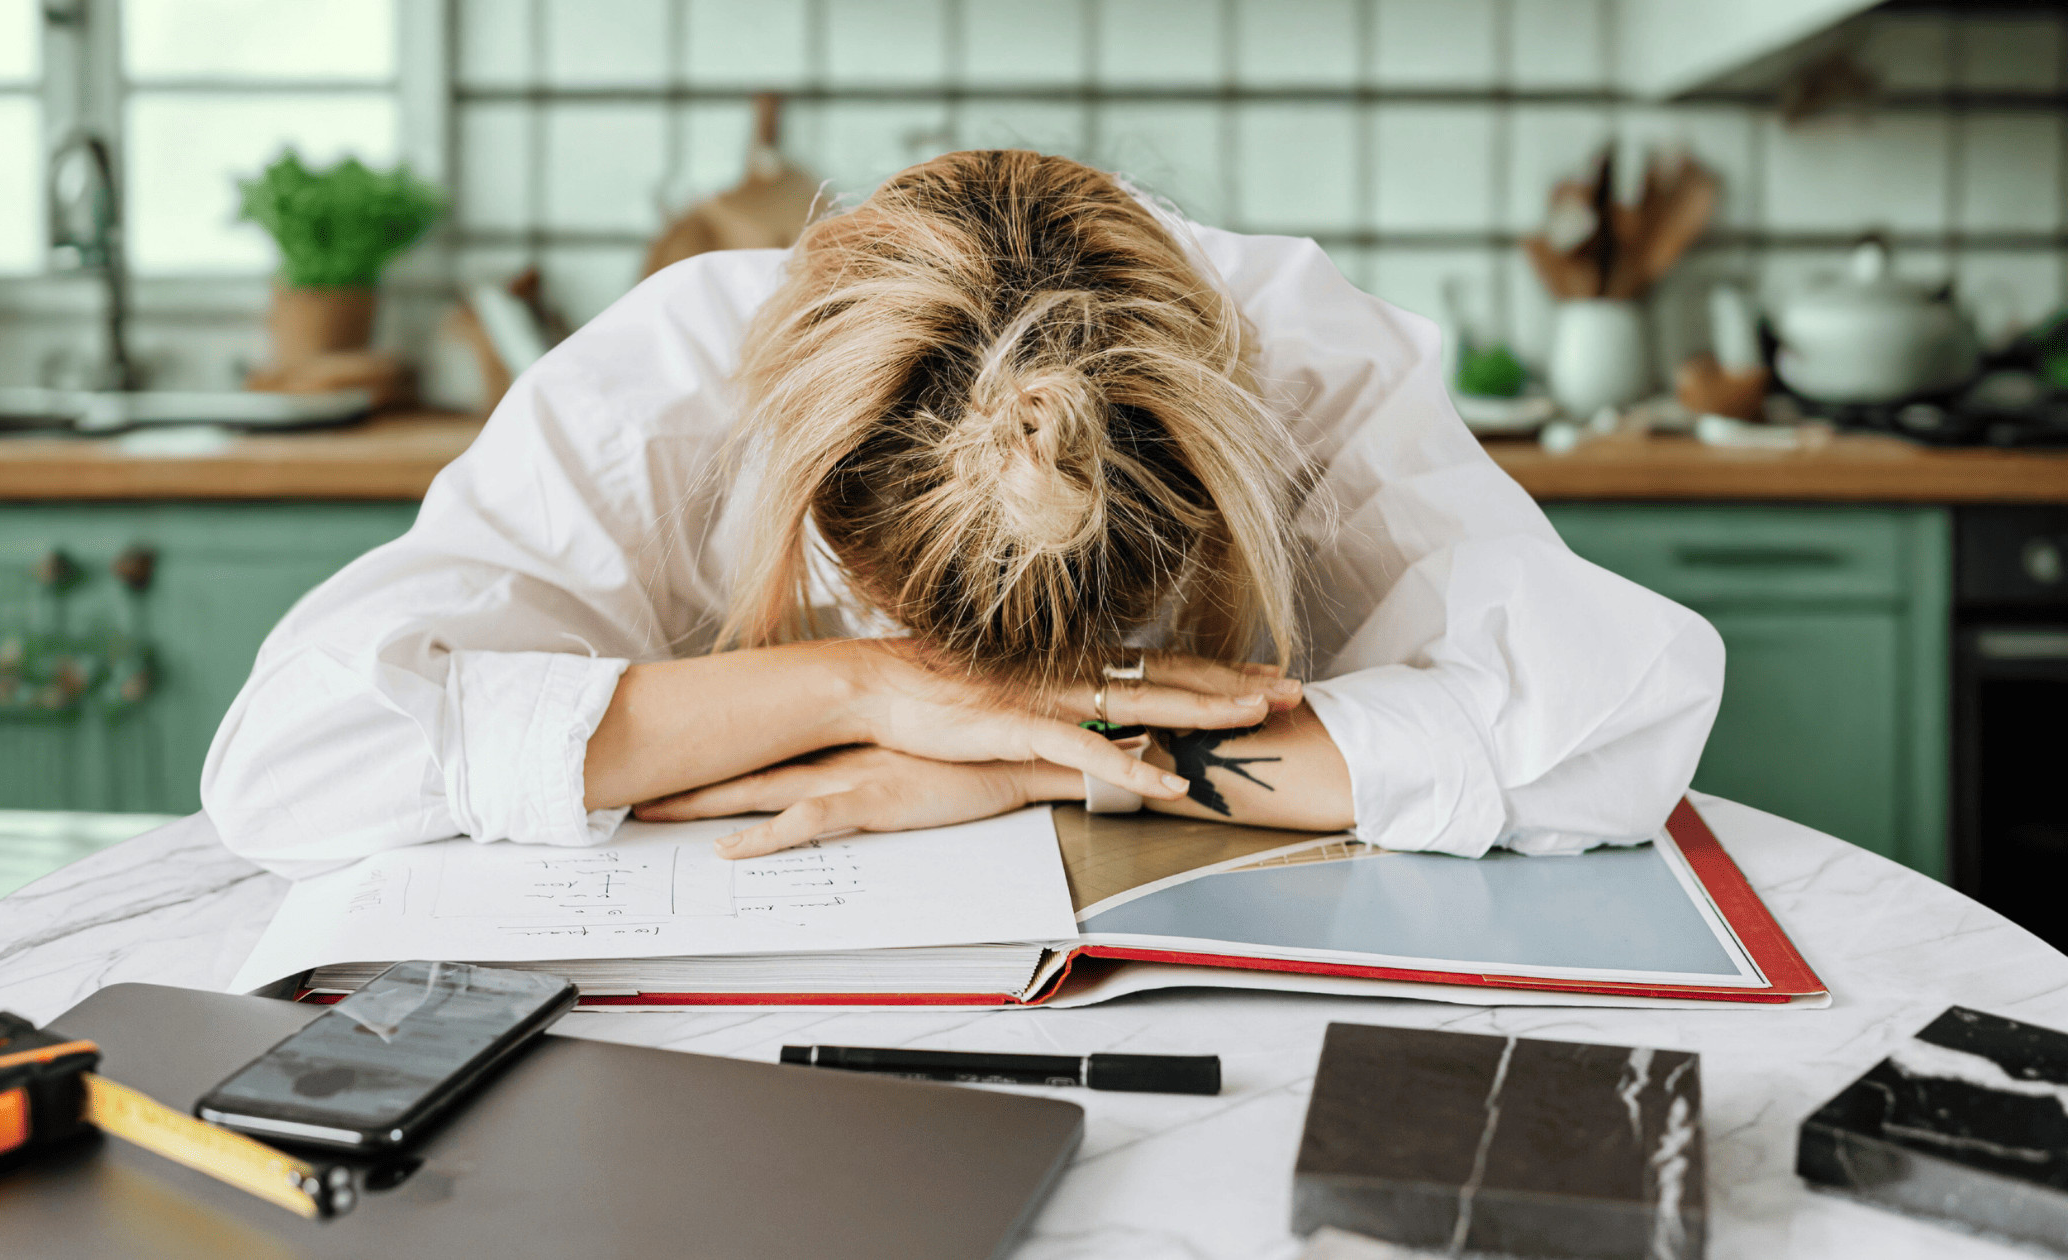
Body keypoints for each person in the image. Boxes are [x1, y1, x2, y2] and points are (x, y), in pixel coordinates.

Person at [203, 151, 1723, 880]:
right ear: (812, 490)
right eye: (909, 635)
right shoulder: (667, 378)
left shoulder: (1293, 359)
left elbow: (1616, 725)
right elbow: (294, 765)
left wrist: (1037, 762)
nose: (981, 701)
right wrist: (867, 691)